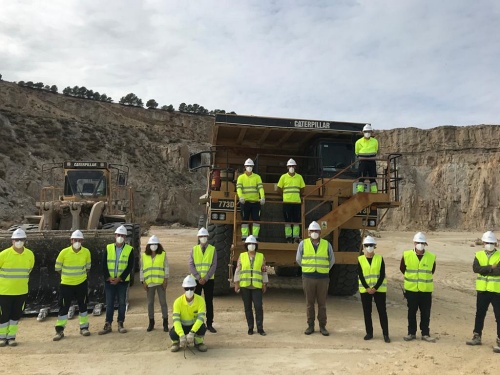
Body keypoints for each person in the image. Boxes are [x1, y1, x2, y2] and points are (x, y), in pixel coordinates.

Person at [296, 221, 335, 336]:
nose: (314, 233)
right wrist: (307, 269)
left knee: (322, 304)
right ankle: (310, 325)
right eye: (312, 231)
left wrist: (324, 269)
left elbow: (332, 260)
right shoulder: (303, 244)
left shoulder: (326, 244)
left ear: (320, 232)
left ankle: (322, 326)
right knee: (309, 303)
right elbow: (298, 259)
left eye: (316, 231)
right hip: (308, 277)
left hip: (323, 278)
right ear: (308, 233)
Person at [53, 230, 92, 341]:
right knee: (64, 307)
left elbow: (88, 268)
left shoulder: (86, 252)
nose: (77, 242)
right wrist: (68, 277)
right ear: (71, 240)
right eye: (75, 240)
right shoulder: (64, 253)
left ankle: (84, 327)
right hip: (66, 285)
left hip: (81, 284)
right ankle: (59, 330)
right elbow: (57, 268)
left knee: (83, 305)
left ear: (82, 241)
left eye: (79, 240)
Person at [465, 231, 500, 352]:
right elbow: (476, 269)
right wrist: (491, 268)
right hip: (482, 290)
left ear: (495, 243)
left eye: (492, 243)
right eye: (487, 242)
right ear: (483, 243)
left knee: (499, 316)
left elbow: (499, 271)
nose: (489, 244)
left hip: (496, 291)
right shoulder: (479, 255)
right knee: (479, 314)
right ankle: (476, 336)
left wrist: (485, 270)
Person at [0, 228, 35, 347]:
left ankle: (11, 337)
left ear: (25, 241)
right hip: (4, 292)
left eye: (21, 239)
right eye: (16, 240)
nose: (19, 241)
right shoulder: (4, 254)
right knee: (3, 315)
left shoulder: (29, 254)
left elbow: (29, 269)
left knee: (15, 316)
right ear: (12, 241)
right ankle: (2, 338)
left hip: (21, 291)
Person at [400, 232, 437, 342]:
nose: (420, 244)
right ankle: (411, 333)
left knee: (425, 313)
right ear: (414, 243)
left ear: (425, 244)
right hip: (411, 290)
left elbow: (432, 271)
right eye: (418, 242)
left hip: (425, 291)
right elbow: (402, 269)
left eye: (422, 243)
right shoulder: (406, 255)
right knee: (411, 312)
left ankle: (425, 333)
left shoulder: (431, 257)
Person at [98, 225, 135, 335]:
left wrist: (120, 278)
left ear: (125, 237)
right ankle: (108, 324)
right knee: (109, 304)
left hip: (122, 282)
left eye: (122, 235)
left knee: (122, 303)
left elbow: (130, 266)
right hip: (109, 281)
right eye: (118, 235)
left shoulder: (130, 250)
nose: (120, 237)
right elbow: (104, 264)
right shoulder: (108, 248)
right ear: (115, 236)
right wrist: (108, 277)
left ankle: (120, 323)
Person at [234, 235, 268, 336]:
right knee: (247, 308)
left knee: (258, 307)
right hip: (245, 286)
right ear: (246, 245)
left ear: (256, 245)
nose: (251, 246)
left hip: (257, 286)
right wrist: (237, 284)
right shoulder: (242, 256)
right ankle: (250, 327)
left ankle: (260, 328)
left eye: (253, 244)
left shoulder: (261, 256)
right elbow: (238, 270)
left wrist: (264, 284)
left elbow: (264, 271)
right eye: (249, 244)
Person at [358, 236, 390, 343]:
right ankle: (369, 333)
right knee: (367, 312)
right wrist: (367, 288)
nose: (369, 247)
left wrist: (375, 288)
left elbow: (382, 275)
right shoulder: (360, 259)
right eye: (367, 245)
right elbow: (360, 275)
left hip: (379, 290)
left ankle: (385, 334)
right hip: (365, 290)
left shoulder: (380, 258)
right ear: (363, 247)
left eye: (371, 245)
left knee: (382, 312)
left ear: (374, 246)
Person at [170, 275, 207, 353]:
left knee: (202, 328)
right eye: (187, 289)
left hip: (194, 326)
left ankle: (198, 342)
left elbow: (200, 319)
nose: (189, 291)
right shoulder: (178, 302)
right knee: (173, 333)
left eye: (191, 288)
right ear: (183, 289)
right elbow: (176, 320)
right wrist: (181, 335)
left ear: (195, 288)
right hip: (182, 326)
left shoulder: (200, 300)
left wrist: (192, 332)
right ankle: (176, 343)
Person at [189, 227, 217, 333]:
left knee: (208, 302)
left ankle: (209, 324)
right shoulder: (194, 249)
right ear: (198, 237)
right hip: (196, 280)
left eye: (205, 236)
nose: (203, 238)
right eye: (201, 236)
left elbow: (214, 265)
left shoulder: (212, 249)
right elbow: (191, 264)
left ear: (208, 237)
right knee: (196, 302)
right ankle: (196, 324)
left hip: (208, 280)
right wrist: (198, 277)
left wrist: (205, 278)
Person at [140, 235, 169, 332]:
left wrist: (166, 280)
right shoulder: (144, 256)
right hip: (149, 283)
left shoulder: (163, 254)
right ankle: (151, 322)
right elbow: (142, 269)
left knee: (163, 303)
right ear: (148, 245)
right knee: (150, 303)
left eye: (155, 244)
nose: (153, 246)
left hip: (160, 283)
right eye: (152, 244)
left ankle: (165, 322)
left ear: (158, 245)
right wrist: (143, 281)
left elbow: (166, 267)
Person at [277, 158, 305, 243]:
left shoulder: (299, 177)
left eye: (293, 166)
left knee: (296, 220)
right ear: (287, 167)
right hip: (287, 202)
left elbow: (302, 188)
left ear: (295, 167)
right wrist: (284, 196)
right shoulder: (283, 177)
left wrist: (298, 196)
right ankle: (288, 237)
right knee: (288, 220)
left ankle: (295, 237)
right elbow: (279, 188)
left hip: (296, 202)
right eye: (290, 166)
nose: (291, 167)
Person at [236, 158, 265, 241]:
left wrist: (262, 197)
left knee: (256, 220)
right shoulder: (241, 177)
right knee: (244, 219)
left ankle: (255, 237)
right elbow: (239, 188)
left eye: (251, 166)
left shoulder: (257, 177)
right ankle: (244, 237)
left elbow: (260, 188)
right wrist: (240, 197)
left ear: (253, 167)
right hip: (245, 202)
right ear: (245, 166)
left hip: (256, 202)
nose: (249, 167)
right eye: (248, 166)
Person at [355, 124, 379, 193]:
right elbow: (357, 152)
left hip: (372, 161)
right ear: (363, 132)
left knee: (372, 177)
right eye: (366, 131)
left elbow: (376, 150)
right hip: (363, 161)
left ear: (371, 132)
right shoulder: (358, 142)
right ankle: (360, 191)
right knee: (361, 177)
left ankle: (374, 191)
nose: (367, 133)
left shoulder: (375, 141)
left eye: (369, 131)